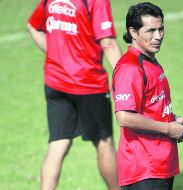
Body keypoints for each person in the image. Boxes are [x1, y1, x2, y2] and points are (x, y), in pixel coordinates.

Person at [27, 0, 122, 190]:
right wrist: (127, 77)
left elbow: (33, 27)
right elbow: (108, 43)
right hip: (89, 84)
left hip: (55, 83)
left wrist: (57, 56)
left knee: (58, 142)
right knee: (104, 142)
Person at [112, 2, 183, 190]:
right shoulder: (130, 68)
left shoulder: (151, 61)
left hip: (161, 165)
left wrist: (174, 120)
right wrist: (168, 128)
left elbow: (149, 108)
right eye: (150, 31)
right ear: (133, 32)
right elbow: (124, 117)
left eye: (161, 29)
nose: (158, 36)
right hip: (143, 170)